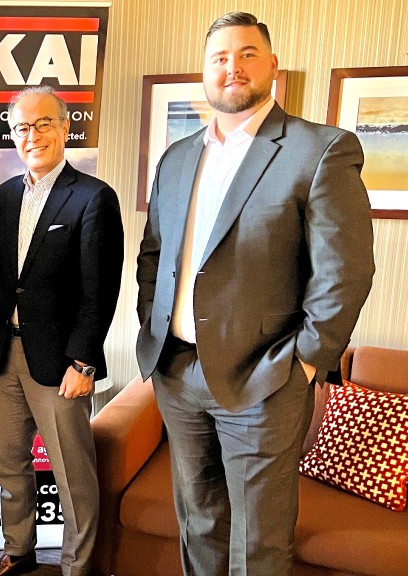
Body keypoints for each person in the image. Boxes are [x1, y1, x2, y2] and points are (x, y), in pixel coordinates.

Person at [136, 12, 375, 575]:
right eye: (219, 57)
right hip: (176, 373)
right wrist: (152, 324)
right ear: (204, 72)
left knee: (259, 544)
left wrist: (307, 363)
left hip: (266, 379)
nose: (232, 67)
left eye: (247, 54)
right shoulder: (177, 156)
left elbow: (345, 272)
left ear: (271, 65)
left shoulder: (320, 149)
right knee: (198, 524)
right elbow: (154, 256)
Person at [0, 86, 123, 576]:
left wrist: (84, 361)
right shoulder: (3, 197)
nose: (32, 135)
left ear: (65, 128)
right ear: (12, 135)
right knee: (8, 466)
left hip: (61, 361)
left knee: (73, 477)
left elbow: (99, 290)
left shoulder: (93, 198)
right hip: (6, 353)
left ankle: (75, 567)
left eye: (43, 123)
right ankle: (18, 554)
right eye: (22, 127)